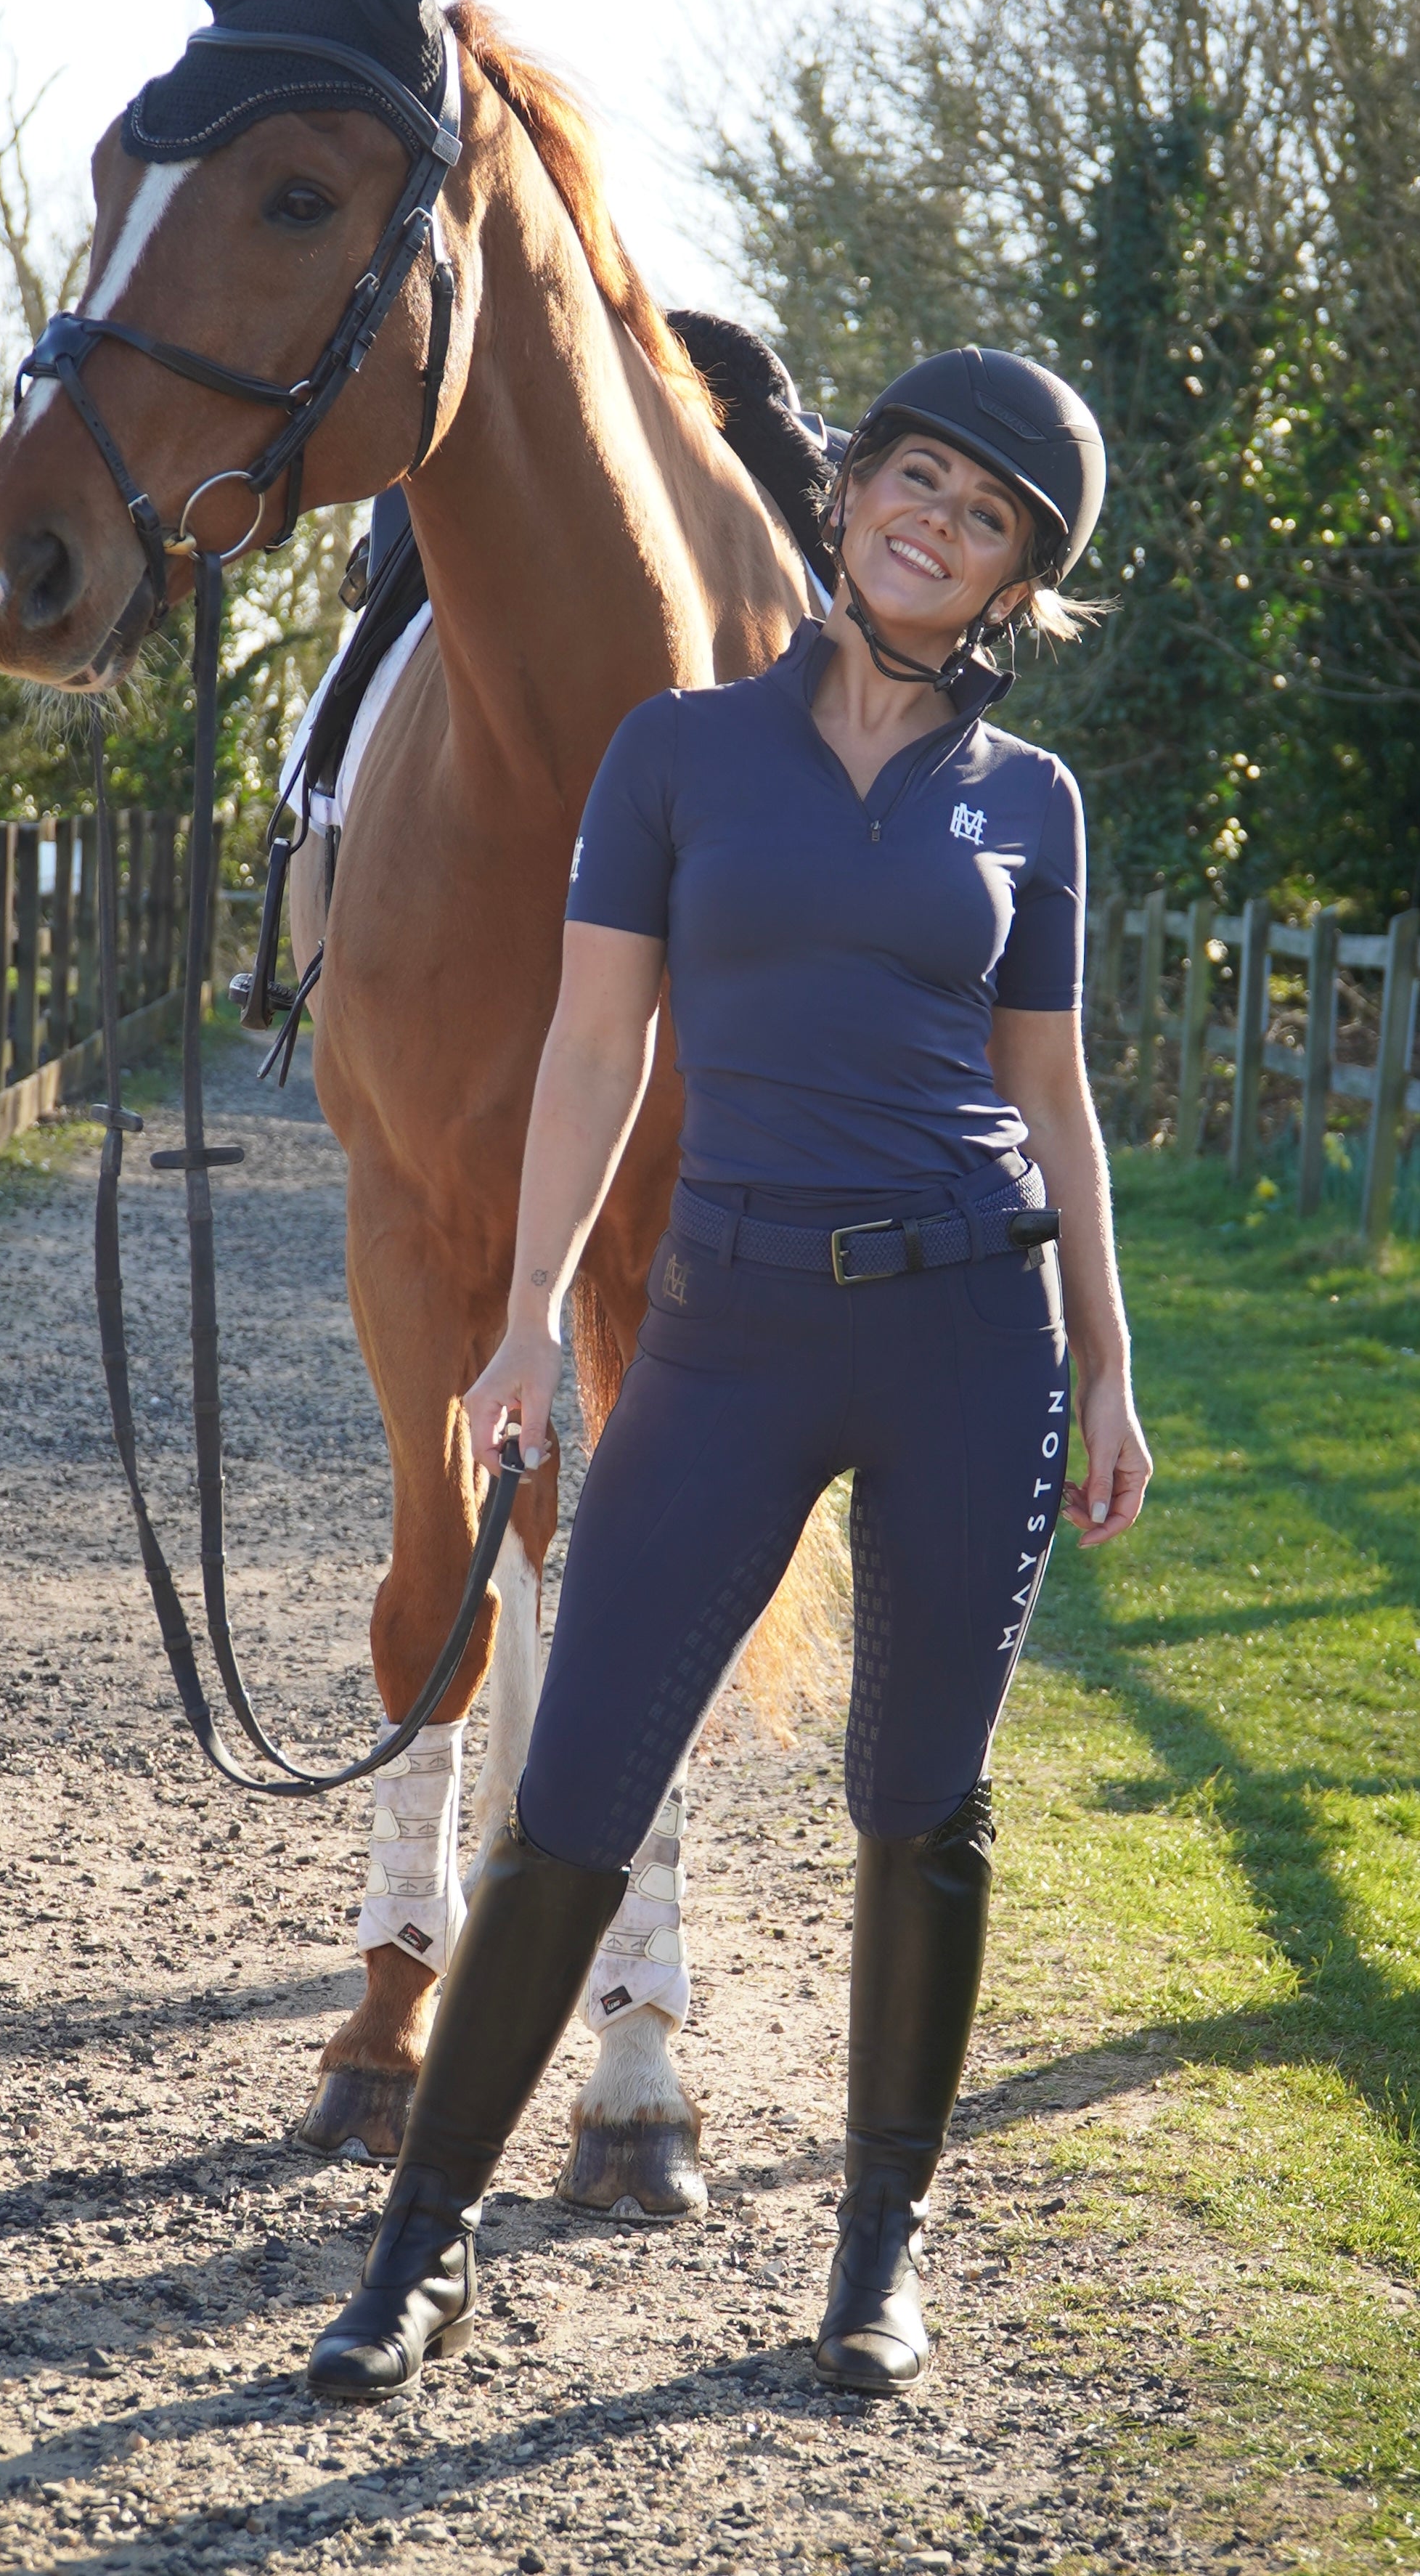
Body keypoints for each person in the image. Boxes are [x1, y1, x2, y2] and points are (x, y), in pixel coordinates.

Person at [306, 344, 1153, 2406]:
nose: (933, 526)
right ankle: (422, 2253)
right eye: (917, 480)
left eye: (987, 519)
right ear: (851, 488)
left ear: (1016, 584)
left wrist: (1108, 1366)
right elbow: (596, 1053)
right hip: (730, 1324)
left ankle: (881, 2251)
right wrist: (521, 1324)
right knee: (575, 1784)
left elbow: (1052, 1096)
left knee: (915, 1802)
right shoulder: (679, 758)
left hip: (969, 1329)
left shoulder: (1026, 804)